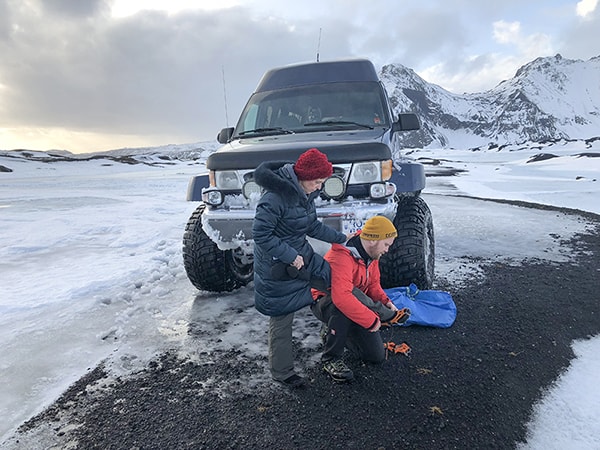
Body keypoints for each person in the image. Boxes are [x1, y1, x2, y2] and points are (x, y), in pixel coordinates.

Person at [252, 148, 349, 388]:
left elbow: (311, 226)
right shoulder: (274, 198)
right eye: (317, 182)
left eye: (322, 182)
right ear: (303, 177)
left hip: (302, 256)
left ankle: (332, 334)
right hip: (277, 265)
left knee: (335, 284)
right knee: (282, 317)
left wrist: (342, 239)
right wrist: (289, 255)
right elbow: (261, 235)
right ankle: (282, 372)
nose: (319, 187)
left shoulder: (305, 194)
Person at [311, 215, 411, 382]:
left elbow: (373, 285)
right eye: (386, 244)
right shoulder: (341, 257)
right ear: (373, 240)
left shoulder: (372, 254)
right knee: (346, 299)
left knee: (375, 356)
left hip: (355, 301)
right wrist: (371, 320)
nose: (387, 250)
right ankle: (331, 359)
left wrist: (387, 302)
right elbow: (342, 297)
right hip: (326, 302)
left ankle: (334, 332)